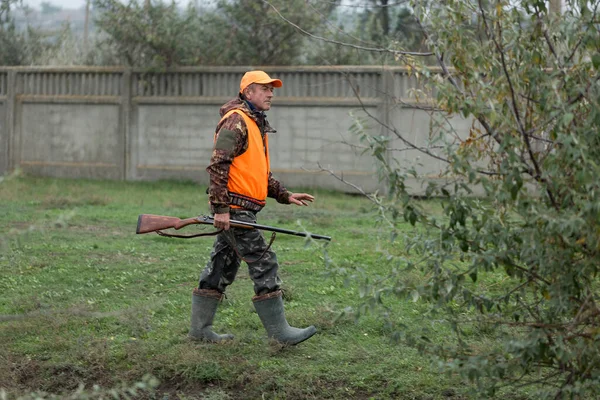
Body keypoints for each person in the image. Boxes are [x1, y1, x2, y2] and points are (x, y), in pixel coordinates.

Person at [188, 70, 317, 346]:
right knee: (263, 261)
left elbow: (257, 174)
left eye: (272, 89)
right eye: (264, 88)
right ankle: (280, 334)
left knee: (222, 265)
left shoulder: (255, 123)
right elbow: (217, 165)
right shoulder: (236, 122)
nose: (271, 93)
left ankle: (200, 332)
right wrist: (221, 209)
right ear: (248, 92)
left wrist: (285, 195)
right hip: (234, 209)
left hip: (238, 208)